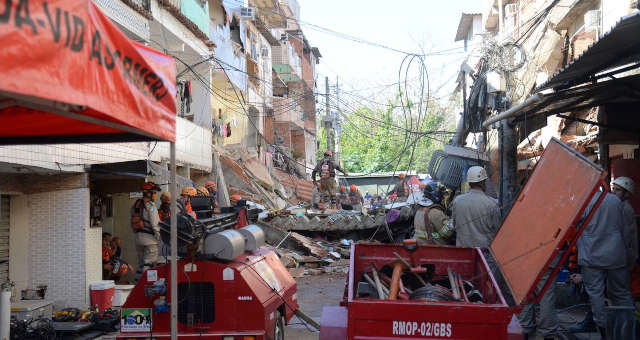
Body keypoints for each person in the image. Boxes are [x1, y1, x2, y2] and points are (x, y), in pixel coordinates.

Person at [575, 189, 635, 338]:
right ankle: (626, 331)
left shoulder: (582, 201)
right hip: (615, 253)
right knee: (621, 293)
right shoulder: (615, 201)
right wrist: (627, 252)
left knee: (596, 295)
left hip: (591, 255)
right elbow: (624, 230)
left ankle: (603, 332)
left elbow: (574, 227)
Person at [451, 166, 501, 248]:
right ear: (483, 182)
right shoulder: (492, 204)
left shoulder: (457, 201)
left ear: (469, 183)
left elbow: (454, 224)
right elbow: (498, 230)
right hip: (483, 253)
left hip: (462, 250)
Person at [131, 182, 161, 283]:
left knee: (141, 264)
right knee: (149, 265)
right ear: (149, 194)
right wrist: (159, 238)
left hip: (137, 239)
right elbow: (155, 225)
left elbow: (132, 223)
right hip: (150, 241)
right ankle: (146, 286)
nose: (155, 195)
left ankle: (137, 284)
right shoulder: (151, 207)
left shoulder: (136, 205)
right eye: (154, 193)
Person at [611, 177, 638, 272]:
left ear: (626, 194)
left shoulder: (625, 209)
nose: (613, 192)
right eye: (613, 189)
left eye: (617, 190)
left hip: (623, 257)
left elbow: (627, 237)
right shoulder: (618, 206)